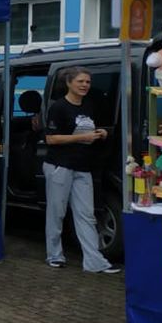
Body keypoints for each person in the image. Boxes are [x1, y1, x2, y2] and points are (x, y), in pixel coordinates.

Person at [43, 66, 120, 274]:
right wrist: (82, 138)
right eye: (81, 81)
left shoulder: (89, 106)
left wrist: (100, 133)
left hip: (83, 166)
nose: (85, 85)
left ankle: (94, 262)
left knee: (86, 214)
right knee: (56, 212)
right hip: (60, 166)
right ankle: (55, 255)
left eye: (87, 82)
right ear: (69, 83)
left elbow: (86, 129)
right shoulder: (58, 107)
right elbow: (51, 138)